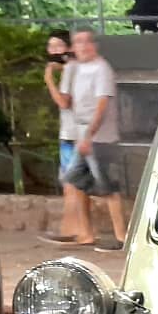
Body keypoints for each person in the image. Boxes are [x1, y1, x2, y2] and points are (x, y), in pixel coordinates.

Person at [60, 29, 127, 251]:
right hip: (85, 136)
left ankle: (121, 236)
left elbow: (101, 106)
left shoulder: (101, 69)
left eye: (86, 42)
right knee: (76, 180)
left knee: (108, 187)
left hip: (100, 138)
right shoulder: (78, 69)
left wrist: (89, 136)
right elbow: (67, 101)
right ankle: (86, 233)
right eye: (77, 42)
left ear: (94, 45)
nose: (82, 46)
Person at [40, 30, 83, 244]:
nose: (54, 50)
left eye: (58, 45)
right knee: (69, 184)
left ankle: (72, 230)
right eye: (51, 46)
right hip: (69, 134)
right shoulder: (71, 70)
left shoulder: (71, 71)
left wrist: (49, 79)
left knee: (72, 184)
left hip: (74, 135)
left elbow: (64, 102)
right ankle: (70, 228)